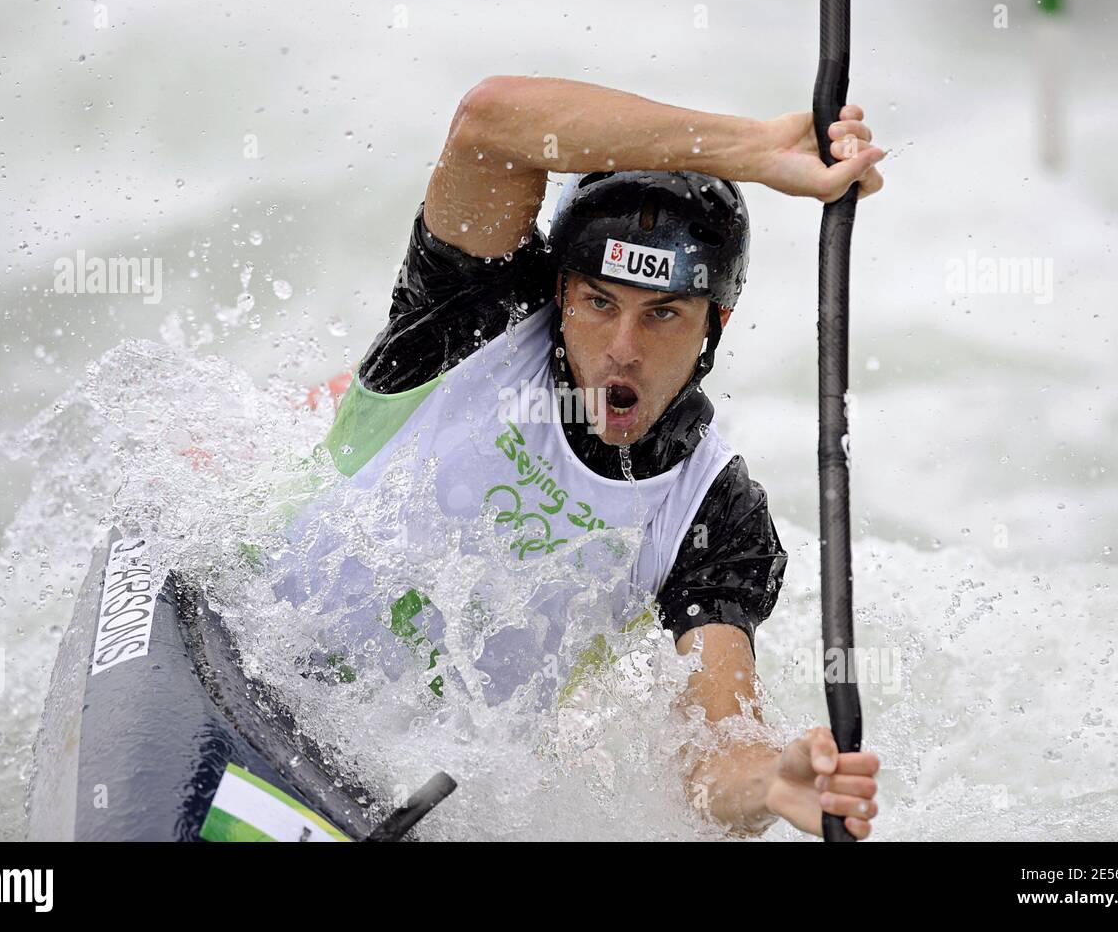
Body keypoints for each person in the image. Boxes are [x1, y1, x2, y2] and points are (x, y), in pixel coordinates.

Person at [283, 75, 885, 839]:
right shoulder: (473, 312)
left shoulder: (712, 509)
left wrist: (776, 780)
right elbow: (490, 120)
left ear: (716, 324)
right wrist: (757, 150)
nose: (622, 352)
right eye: (599, 303)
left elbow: (715, 753)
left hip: (395, 797)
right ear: (561, 289)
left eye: (663, 314)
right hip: (240, 655)